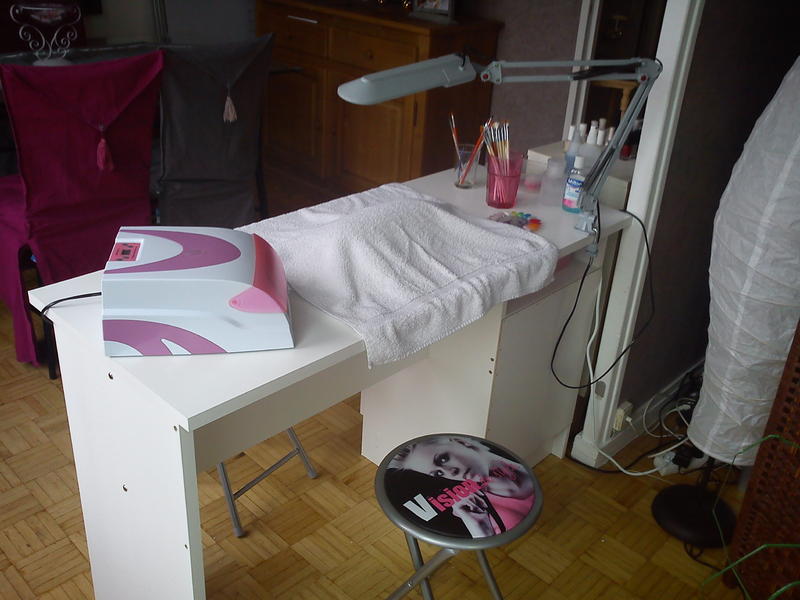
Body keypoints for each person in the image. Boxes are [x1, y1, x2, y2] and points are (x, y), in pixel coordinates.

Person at [388, 435, 534, 537]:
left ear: (462, 442)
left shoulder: (517, 466)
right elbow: (482, 542)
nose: (451, 472)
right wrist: (480, 526)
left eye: (443, 459)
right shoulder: (470, 508)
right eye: (438, 473)